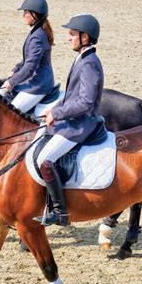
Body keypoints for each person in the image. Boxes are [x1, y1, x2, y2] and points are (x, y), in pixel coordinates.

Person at [33, 14, 104, 226]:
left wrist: (58, 114)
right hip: (72, 119)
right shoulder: (82, 57)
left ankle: (60, 212)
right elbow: (71, 96)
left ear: (85, 37)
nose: (68, 38)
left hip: (82, 124)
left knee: (44, 160)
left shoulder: (90, 63)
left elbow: (85, 103)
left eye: (72, 34)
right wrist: (53, 109)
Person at [0, 0, 55, 113]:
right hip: (35, 80)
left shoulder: (37, 37)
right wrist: (16, 69)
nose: (23, 15)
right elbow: (27, 59)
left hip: (38, 85)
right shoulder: (36, 31)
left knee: (10, 114)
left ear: (35, 14)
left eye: (26, 12)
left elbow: (30, 67)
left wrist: (12, 82)